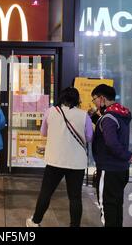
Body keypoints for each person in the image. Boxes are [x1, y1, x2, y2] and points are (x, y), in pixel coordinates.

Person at [26, 87, 93, 227]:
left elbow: (43, 132)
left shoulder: (50, 112)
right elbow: (88, 137)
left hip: (55, 160)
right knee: (75, 197)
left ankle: (35, 221)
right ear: (77, 99)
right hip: (76, 163)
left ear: (61, 98)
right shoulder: (84, 115)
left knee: (46, 193)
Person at [90, 84, 132, 227]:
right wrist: (95, 119)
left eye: (95, 99)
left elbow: (111, 143)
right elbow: (110, 131)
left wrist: (127, 155)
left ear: (102, 98)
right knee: (116, 206)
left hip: (108, 170)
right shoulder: (121, 114)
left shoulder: (108, 118)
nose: (95, 103)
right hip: (121, 170)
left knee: (107, 208)